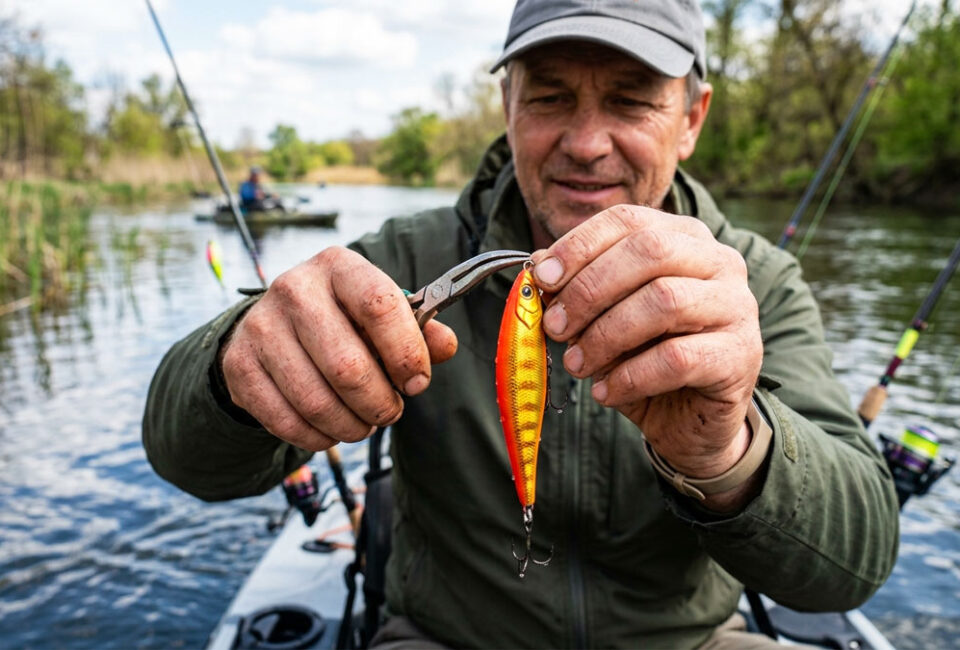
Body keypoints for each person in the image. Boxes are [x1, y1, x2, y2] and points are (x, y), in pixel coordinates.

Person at [143, 1, 900, 647]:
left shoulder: (758, 282)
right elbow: (186, 457)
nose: (586, 142)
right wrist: (235, 368)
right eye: (549, 97)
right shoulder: (407, 258)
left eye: (632, 100)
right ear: (508, 102)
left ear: (692, 118)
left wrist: (729, 452)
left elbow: (855, 562)